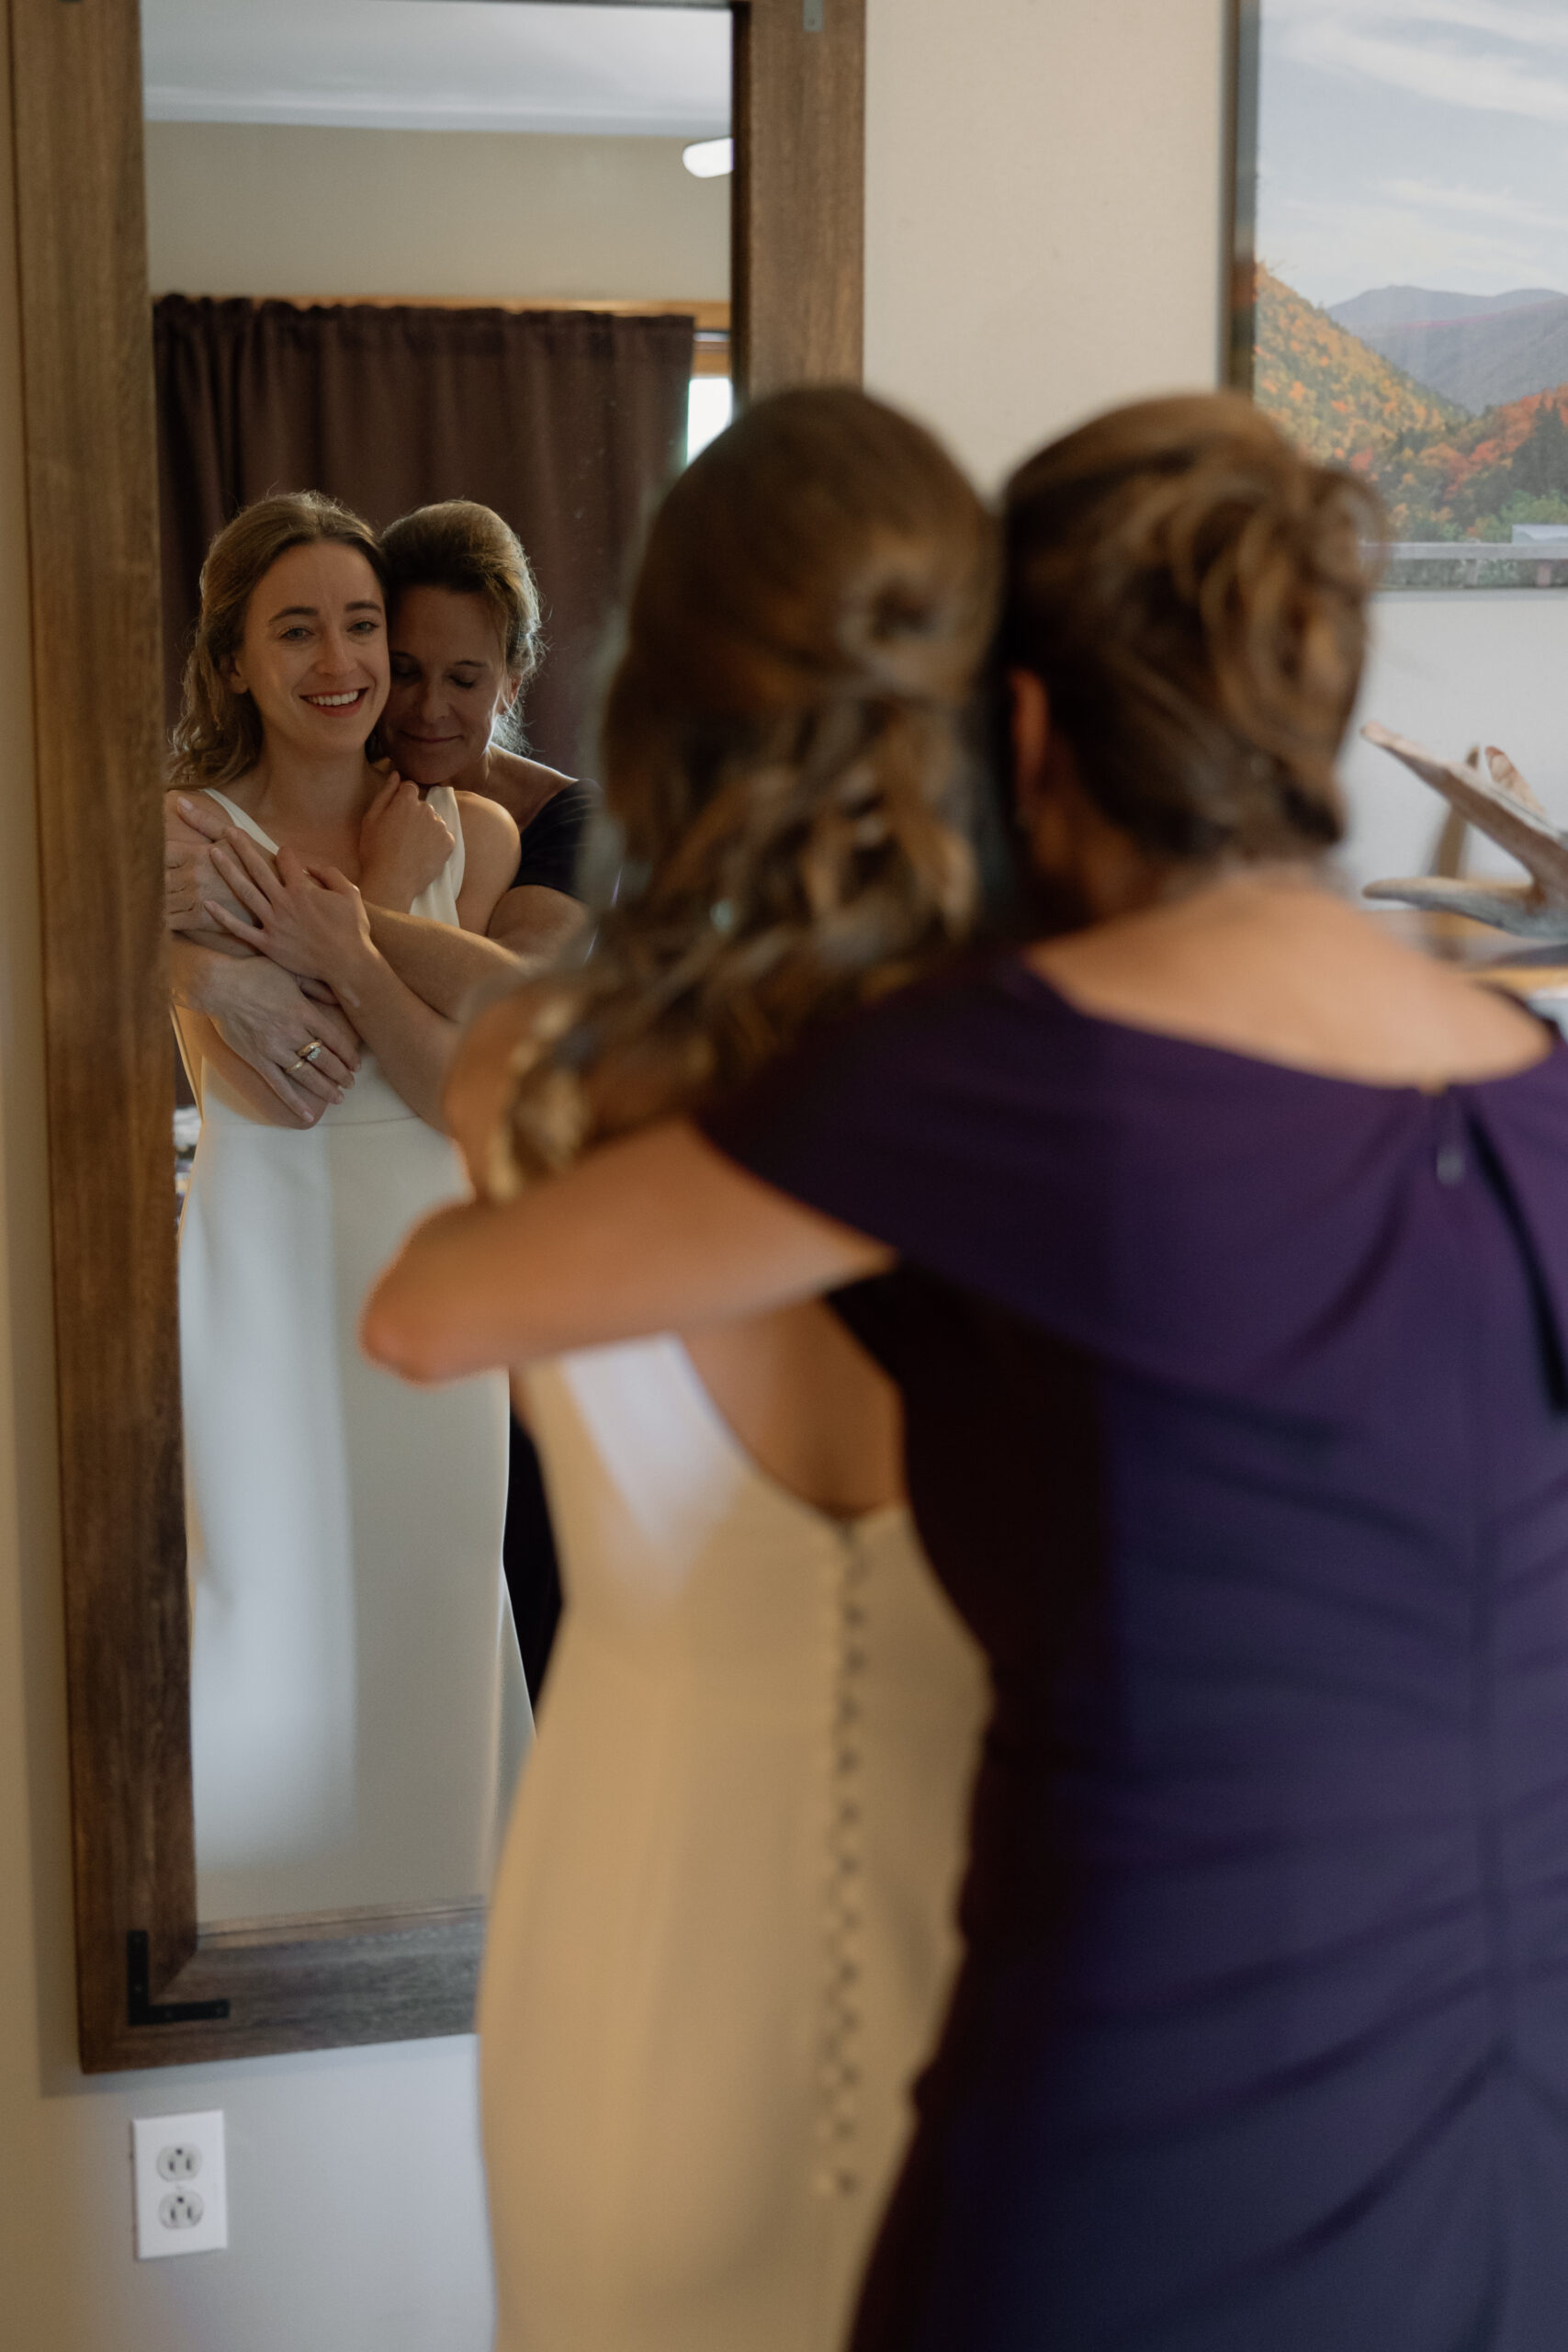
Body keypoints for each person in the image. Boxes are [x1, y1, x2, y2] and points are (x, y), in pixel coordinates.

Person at [366, 392, 1568, 2350]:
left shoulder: (951, 1073)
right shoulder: (1466, 1087)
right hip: (1373, 2095)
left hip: (976, 2056)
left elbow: (433, 1306)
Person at [389, 389, 995, 2352]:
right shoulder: (1062, 1085)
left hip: (626, 1938)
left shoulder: (537, 1067)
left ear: (661, 690)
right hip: (992, 1954)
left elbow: (426, 1309)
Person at [172, 490, 529, 1919]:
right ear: (234, 661)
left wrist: (361, 917)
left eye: (363, 624)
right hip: (264, 1272)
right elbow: (292, 1090)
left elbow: (474, 1081)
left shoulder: (464, 836)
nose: (342, 662)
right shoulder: (181, 837)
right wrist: (214, 964)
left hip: (435, 1272)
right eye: (297, 629)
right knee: (268, 1613)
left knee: (430, 1604)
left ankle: (431, 1957)